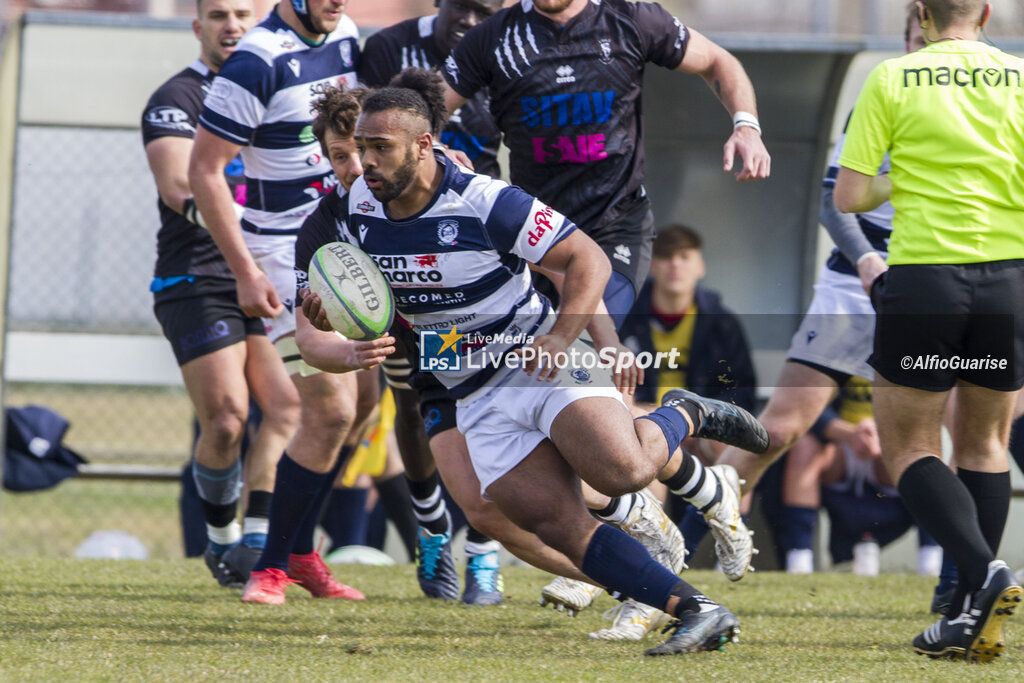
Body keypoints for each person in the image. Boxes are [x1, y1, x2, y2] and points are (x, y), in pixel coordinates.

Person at [295, 69, 771, 656]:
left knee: (619, 472)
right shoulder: (343, 214)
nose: (363, 163)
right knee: (549, 522)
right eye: (358, 149)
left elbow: (586, 258)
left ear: (422, 146)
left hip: (538, 353)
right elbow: (313, 330)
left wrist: (568, 335)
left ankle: (685, 413)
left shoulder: (482, 199)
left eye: (378, 148)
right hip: (470, 389)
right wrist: (337, 335)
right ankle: (695, 609)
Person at [439, 0, 770, 583]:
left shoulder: (631, 19)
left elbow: (719, 61)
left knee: (570, 386)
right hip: (539, 246)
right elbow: (426, 111)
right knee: (566, 411)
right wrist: (433, 149)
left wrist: (746, 124)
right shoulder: (494, 39)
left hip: (613, 235)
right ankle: (694, 478)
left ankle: (636, 558)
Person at [834, 0, 1023, 662]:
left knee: (910, 445)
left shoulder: (892, 77)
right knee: (988, 442)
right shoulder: (1020, 77)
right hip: (1008, 279)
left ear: (921, 11)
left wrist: (903, 178)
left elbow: (849, 196)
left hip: (925, 279)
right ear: (987, 12)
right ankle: (972, 612)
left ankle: (985, 573)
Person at [713, 2, 926, 580]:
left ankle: (959, 572)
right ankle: (713, 515)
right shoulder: (883, 99)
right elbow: (837, 198)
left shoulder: (987, 103)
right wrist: (867, 262)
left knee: (981, 426)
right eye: (914, 37)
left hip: (941, 282)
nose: (923, 49)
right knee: (782, 426)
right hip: (858, 287)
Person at [189, 0, 373, 605]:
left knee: (363, 405)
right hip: (283, 255)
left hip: (347, 246)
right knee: (328, 412)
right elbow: (206, 171)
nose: (336, 3)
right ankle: (272, 564)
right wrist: (244, 269)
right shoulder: (256, 61)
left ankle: (298, 551)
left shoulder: (345, 34)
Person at [357, 0, 511, 605]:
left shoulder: (514, 47)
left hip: (474, 257)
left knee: (481, 404)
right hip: (397, 258)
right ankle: (429, 530)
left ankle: (483, 552)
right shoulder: (386, 49)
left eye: (488, 9)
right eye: (464, 7)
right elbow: (354, 133)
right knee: (413, 400)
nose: (474, 20)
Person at [141, 0, 300, 586]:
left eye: (243, 13)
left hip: (271, 275)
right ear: (198, 27)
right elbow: (179, 185)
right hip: (199, 277)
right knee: (229, 419)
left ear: (261, 22)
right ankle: (221, 540)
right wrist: (245, 251)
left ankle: (256, 540)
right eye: (218, 16)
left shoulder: (278, 88)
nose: (231, 25)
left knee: (290, 409)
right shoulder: (175, 98)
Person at [619, 224, 757, 564]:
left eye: (684, 256)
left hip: (702, 424)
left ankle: (713, 546)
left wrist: (701, 424)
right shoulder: (625, 316)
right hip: (646, 419)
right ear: (652, 265)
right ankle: (652, 556)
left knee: (738, 451)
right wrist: (649, 412)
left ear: (700, 266)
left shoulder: (721, 322)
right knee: (645, 444)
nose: (674, 265)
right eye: (666, 257)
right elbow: (607, 387)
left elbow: (741, 392)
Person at [776, 376, 941, 576]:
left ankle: (932, 564)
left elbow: (924, 408)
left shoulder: (911, 349)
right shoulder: (834, 347)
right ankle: (799, 562)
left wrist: (884, 434)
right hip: (839, 443)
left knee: (923, 452)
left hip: (891, 445)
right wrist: (851, 433)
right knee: (804, 446)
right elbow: (807, 404)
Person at [358, 0, 504, 178]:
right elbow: (367, 131)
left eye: (483, 14)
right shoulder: (388, 47)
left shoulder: (507, 54)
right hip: (405, 189)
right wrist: (438, 154)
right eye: (461, 6)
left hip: (480, 187)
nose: (469, 21)